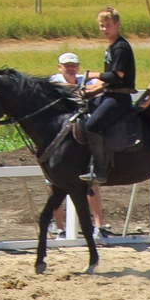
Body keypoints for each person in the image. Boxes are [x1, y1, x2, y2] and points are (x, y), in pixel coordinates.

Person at [48, 55, 107, 235]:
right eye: (67, 66)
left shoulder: (83, 79)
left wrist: (87, 86)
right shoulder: (55, 80)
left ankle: (99, 225)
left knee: (90, 181)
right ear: (60, 67)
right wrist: (83, 89)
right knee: (54, 183)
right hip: (59, 138)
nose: (71, 69)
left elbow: (101, 85)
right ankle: (59, 227)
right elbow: (57, 87)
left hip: (79, 137)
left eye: (73, 65)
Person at [80, 7, 138, 184]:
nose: (104, 29)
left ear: (117, 25)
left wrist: (92, 75)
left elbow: (117, 75)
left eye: (108, 25)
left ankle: (100, 170)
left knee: (92, 125)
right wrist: (91, 93)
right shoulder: (111, 48)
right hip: (109, 94)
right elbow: (108, 82)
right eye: (101, 25)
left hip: (118, 99)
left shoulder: (120, 47)